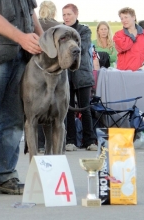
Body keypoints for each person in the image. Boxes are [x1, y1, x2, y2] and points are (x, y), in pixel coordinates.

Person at [0, 0, 43, 198]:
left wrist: (44, 41)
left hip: (21, 58)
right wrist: (21, 38)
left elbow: (31, 15)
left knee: (14, 120)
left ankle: (4, 177)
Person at [62, 4, 97, 151]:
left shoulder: (84, 30)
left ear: (76, 14)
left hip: (82, 74)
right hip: (66, 75)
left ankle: (90, 141)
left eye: (69, 14)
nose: (66, 17)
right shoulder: (61, 31)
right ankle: (70, 141)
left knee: (85, 108)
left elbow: (81, 49)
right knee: (68, 109)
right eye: (64, 15)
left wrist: (67, 49)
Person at [37, 0, 60, 153]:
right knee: (56, 117)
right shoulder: (58, 27)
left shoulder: (34, 25)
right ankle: (54, 148)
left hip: (36, 73)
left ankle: (37, 144)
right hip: (56, 74)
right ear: (53, 12)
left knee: (34, 114)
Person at [113, 7, 144, 71]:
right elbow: (123, 47)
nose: (123, 20)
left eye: (126, 17)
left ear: (133, 17)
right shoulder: (118, 35)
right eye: (121, 18)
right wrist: (132, 35)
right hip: (125, 73)